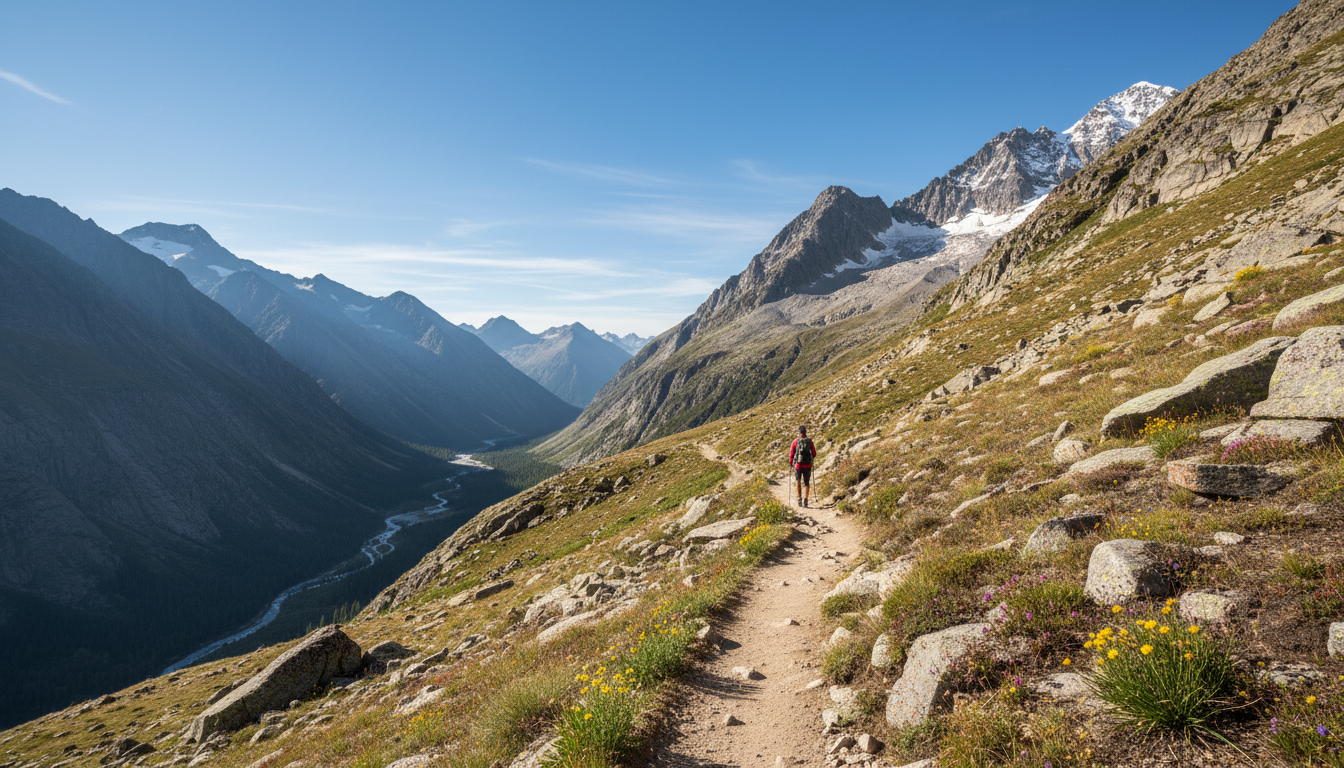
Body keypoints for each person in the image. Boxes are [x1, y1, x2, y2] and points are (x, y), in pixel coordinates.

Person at [788, 426, 815, 507]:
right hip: (808, 465)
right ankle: (806, 499)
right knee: (806, 482)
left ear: (799, 433)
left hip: (798, 465)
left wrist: (791, 462)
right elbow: (814, 453)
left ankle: (799, 498)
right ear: (806, 432)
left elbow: (791, 453)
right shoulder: (810, 441)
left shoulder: (796, 442)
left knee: (798, 481)